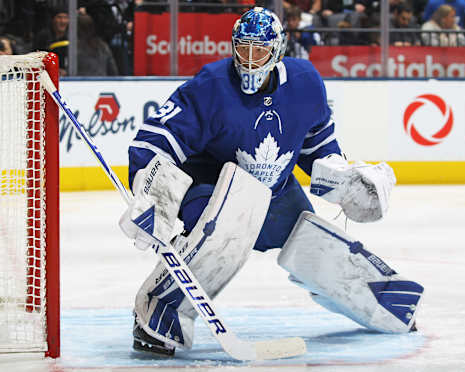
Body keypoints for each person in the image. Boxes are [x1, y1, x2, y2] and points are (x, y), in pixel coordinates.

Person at [120, 7, 424, 357]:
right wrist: (150, 192)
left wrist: (343, 179)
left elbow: (317, 147)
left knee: (315, 244)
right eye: (242, 48)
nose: (249, 60)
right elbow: (154, 140)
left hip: (275, 192)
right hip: (213, 189)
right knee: (221, 233)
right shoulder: (211, 86)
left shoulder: (306, 83)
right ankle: (158, 310)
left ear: (278, 51)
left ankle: (384, 303)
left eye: (259, 50)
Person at [33, 6, 69, 76]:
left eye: (65, 18)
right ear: (53, 19)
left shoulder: (72, 36)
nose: (63, 21)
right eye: (59, 17)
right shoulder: (43, 36)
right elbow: (37, 58)